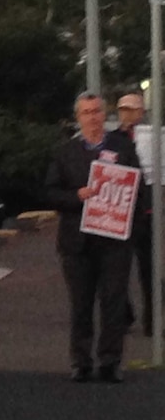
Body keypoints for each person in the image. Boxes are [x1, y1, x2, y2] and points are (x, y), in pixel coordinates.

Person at [45, 92, 141, 383]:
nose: (93, 117)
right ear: (78, 117)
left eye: (97, 111)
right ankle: (81, 361)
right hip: (77, 242)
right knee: (81, 304)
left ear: (105, 114)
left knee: (113, 302)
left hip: (114, 240)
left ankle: (110, 362)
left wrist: (130, 225)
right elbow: (50, 192)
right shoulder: (65, 152)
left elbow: (138, 187)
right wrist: (77, 196)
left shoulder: (123, 148)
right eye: (86, 112)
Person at [113, 93, 153, 336]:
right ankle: (123, 314)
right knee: (117, 268)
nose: (127, 114)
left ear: (141, 112)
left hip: (146, 212)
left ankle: (153, 321)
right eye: (123, 109)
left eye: (132, 109)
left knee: (150, 270)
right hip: (121, 212)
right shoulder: (114, 139)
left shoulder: (151, 138)